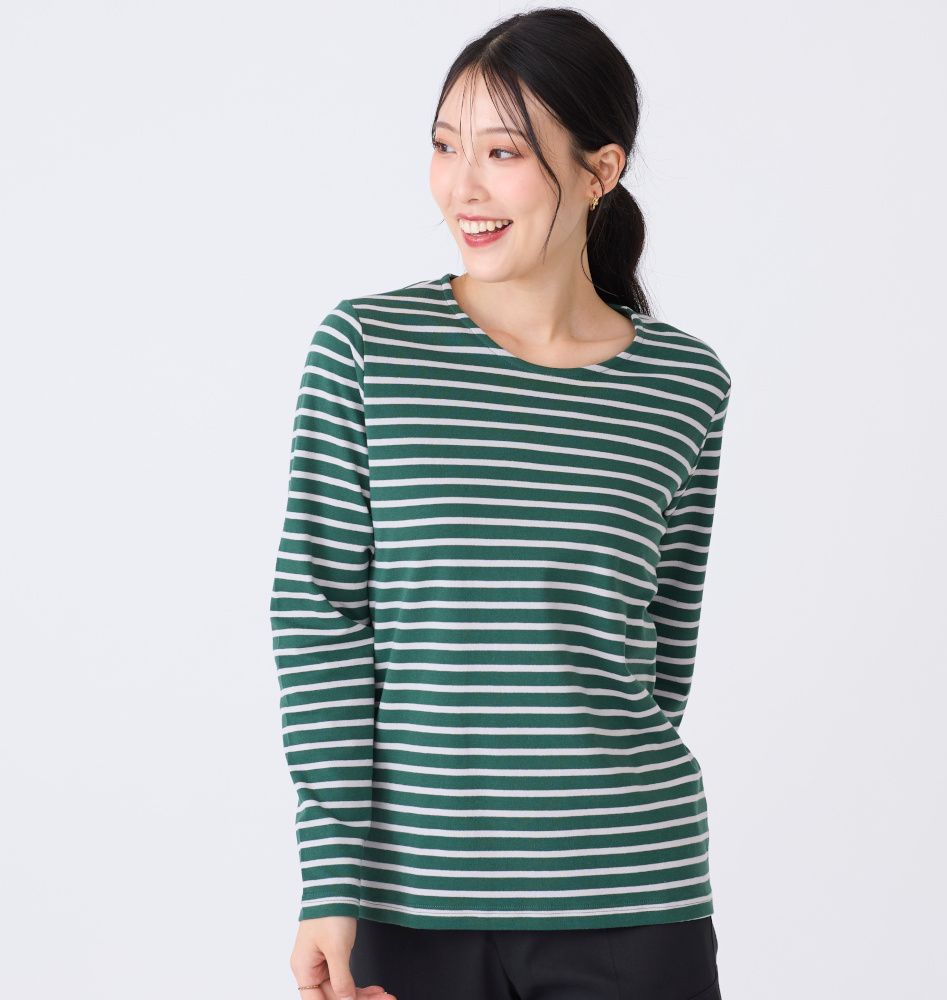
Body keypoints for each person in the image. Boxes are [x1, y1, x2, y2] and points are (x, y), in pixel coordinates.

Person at [269, 8, 731, 999]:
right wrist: (329, 878)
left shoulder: (684, 384)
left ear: (601, 171)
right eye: (446, 146)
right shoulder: (369, 350)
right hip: (410, 904)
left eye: (503, 152)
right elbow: (321, 624)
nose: (462, 187)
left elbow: (662, 647)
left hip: (635, 899)